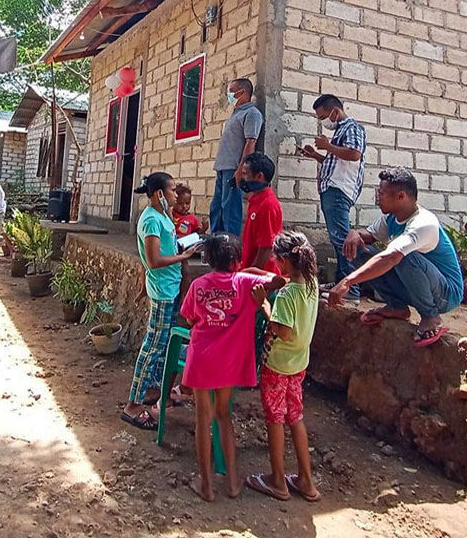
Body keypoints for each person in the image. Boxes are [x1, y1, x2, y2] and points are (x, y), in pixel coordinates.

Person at [327, 168, 465, 347]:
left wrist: (347, 282)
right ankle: (396, 307)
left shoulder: (423, 223)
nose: (378, 197)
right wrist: (354, 233)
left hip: (446, 294)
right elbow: (368, 235)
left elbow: (391, 257)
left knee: (403, 256)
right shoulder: (392, 218)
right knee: (360, 251)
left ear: (401, 196)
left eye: (382, 193)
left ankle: (430, 316)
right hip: (418, 285)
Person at [179, 233, 267, 501]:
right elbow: (278, 280)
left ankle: (206, 484)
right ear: (237, 260)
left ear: (208, 259)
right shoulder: (246, 282)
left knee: (202, 418)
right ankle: (231, 482)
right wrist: (254, 273)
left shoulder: (198, 285)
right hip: (228, 363)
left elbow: (188, 319)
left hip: (201, 360)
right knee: (223, 416)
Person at [248, 231, 321, 503]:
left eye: (277, 261)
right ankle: (306, 481)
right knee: (295, 416)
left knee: (275, 419)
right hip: (299, 363)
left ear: (284, 261)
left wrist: (264, 305)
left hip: (278, 364)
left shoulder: (288, 295)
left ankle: (278, 480)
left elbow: (283, 330)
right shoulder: (311, 284)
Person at [120, 172, 196, 431]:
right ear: (159, 194)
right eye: (172, 191)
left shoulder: (163, 216)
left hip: (170, 287)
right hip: (162, 290)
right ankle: (133, 405)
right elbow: (153, 261)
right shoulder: (151, 220)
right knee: (152, 347)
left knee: (162, 344)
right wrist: (182, 256)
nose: (176, 195)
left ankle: (151, 390)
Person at [298, 94, 367, 299]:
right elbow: (337, 162)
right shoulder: (340, 131)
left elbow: (355, 154)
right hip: (332, 188)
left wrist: (328, 146)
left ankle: (351, 288)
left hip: (339, 189)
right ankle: (342, 282)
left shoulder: (351, 127)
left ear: (335, 112)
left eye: (322, 117)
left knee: (342, 240)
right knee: (339, 239)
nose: (322, 122)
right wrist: (317, 156)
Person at [210, 77, 263, 236]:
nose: (229, 95)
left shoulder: (252, 113)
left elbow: (250, 143)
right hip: (222, 167)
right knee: (217, 208)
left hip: (233, 168)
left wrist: (241, 170)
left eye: (232, 91)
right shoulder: (236, 113)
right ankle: (216, 246)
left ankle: (230, 247)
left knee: (230, 210)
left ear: (242, 92)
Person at [239, 152, 283, 275]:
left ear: (259, 176)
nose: (243, 179)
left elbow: (266, 247)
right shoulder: (255, 199)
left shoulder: (268, 205)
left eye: (245, 174)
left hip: (263, 277)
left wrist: (251, 274)